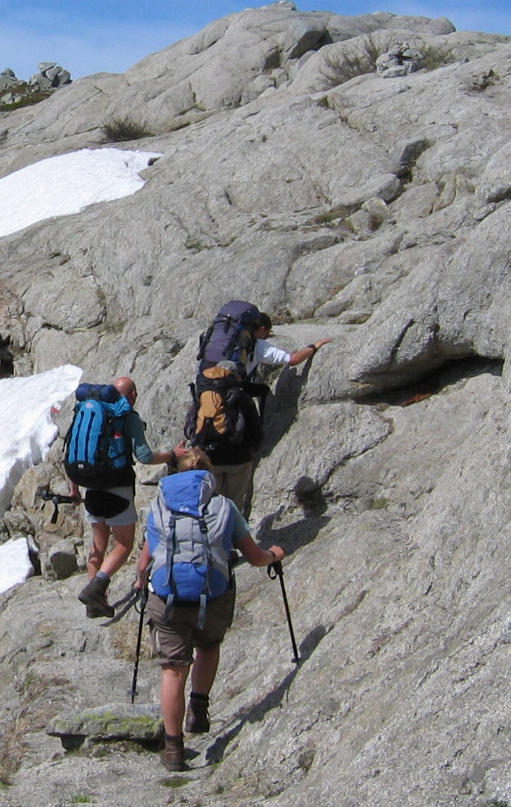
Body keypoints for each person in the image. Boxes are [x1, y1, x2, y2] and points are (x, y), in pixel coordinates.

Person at [132, 449, 284, 771]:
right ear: (207, 477)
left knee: (172, 670)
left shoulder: (159, 507)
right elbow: (254, 557)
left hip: (167, 597)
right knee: (209, 645)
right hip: (211, 596)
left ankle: (173, 749)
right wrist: (274, 555)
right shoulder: (224, 507)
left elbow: (145, 560)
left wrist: (140, 581)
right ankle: (198, 706)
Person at [191, 314, 333, 515]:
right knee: (233, 506)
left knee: (209, 504)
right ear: (262, 330)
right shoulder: (257, 347)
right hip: (237, 456)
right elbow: (292, 360)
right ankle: (233, 539)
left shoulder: (214, 352)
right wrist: (314, 346)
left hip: (208, 452)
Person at [71, 376, 186, 619]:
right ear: (133, 395)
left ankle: (94, 603)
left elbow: (73, 450)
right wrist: (172, 455)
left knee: (98, 545)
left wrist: (74, 489)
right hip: (118, 487)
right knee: (123, 545)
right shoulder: (127, 417)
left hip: (90, 486)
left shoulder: (89, 412)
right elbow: (144, 456)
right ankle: (97, 587)